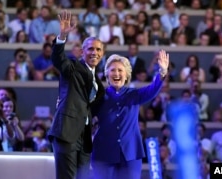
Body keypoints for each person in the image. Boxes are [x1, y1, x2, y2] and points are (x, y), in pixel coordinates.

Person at [91, 50, 169, 179]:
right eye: (113, 70)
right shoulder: (99, 96)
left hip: (131, 153)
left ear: (126, 75)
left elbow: (153, 88)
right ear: (107, 74)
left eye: (120, 70)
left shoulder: (134, 95)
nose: (116, 73)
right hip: (103, 153)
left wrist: (162, 72)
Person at [47, 10, 105, 179]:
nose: (94, 52)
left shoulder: (98, 82)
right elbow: (58, 59)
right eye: (90, 49)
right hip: (67, 132)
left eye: (98, 49)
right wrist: (62, 37)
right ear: (82, 52)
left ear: (102, 53)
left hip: (84, 137)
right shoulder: (72, 67)